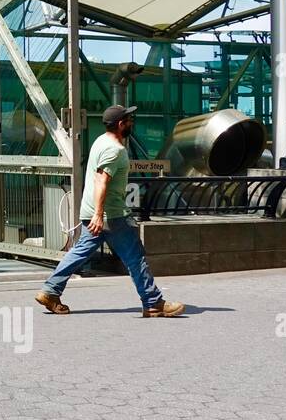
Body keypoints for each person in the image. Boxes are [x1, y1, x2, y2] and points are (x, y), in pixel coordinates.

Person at [37, 105, 186, 318]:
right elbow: (101, 180)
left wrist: (95, 214)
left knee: (79, 253)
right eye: (129, 119)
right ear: (120, 124)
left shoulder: (100, 141)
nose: (132, 122)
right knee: (135, 257)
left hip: (96, 212)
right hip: (111, 215)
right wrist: (99, 214)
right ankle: (153, 303)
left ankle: (50, 291)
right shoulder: (115, 150)